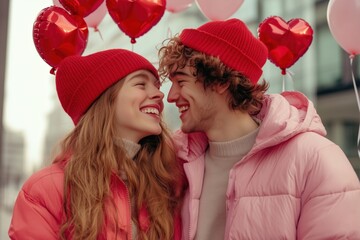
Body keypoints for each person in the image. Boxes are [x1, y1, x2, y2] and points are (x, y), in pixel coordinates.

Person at [158, 18, 360, 240]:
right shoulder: (174, 162)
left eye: (182, 82)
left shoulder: (315, 159)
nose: (171, 96)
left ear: (220, 81)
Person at [8, 49, 185, 240]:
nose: (159, 94)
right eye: (141, 84)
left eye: (157, 86)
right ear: (104, 100)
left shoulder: (166, 185)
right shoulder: (45, 191)